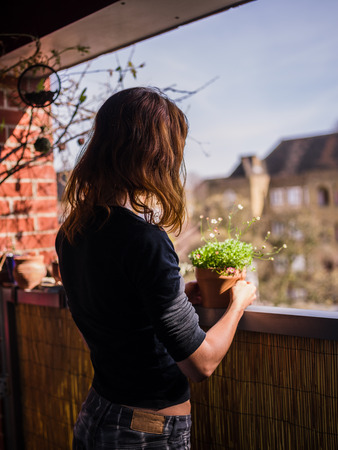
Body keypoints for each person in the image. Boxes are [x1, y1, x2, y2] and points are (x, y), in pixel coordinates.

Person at [55, 86, 256, 450]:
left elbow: (108, 317)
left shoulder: (72, 233)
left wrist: (171, 296)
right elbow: (201, 365)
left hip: (97, 414)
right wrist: (239, 302)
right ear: (156, 156)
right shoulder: (144, 240)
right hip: (142, 433)